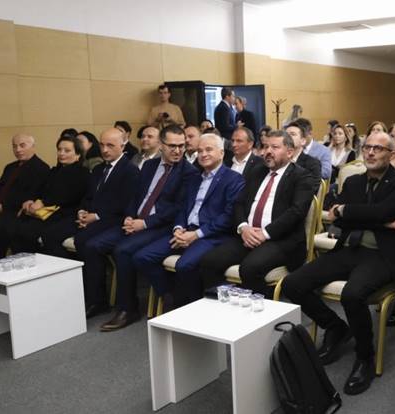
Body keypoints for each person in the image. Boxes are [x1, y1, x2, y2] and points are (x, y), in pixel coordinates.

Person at [282, 131, 395, 395]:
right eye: (367, 147)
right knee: (292, 284)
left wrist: (349, 211)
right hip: (350, 248)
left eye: (378, 148)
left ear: (391, 154)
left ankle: (365, 357)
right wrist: (381, 222)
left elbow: (382, 211)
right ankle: (336, 328)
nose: (371, 152)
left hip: (384, 255)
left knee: (352, 295)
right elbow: (336, 215)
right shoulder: (354, 181)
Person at [79, 125, 198, 330]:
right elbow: (136, 195)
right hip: (135, 220)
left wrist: (144, 223)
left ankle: (128, 308)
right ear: (161, 145)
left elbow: (178, 208)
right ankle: (97, 301)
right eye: (172, 146)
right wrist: (129, 216)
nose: (177, 151)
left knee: (123, 250)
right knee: (93, 245)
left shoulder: (189, 172)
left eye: (181, 146)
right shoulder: (150, 165)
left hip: (160, 226)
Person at [132, 133, 245, 308]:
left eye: (209, 150)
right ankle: (170, 296)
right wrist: (178, 228)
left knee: (184, 265)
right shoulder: (195, 178)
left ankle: (192, 308)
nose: (203, 154)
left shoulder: (234, 179)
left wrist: (196, 234)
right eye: (200, 151)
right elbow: (183, 208)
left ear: (221, 153)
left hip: (210, 235)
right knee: (142, 257)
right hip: (185, 231)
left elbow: (228, 217)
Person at [197, 130, 314, 297]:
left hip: (280, 240)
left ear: (289, 152)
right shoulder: (257, 171)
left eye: (275, 147)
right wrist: (243, 227)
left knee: (250, 268)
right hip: (247, 235)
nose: (268, 151)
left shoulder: (302, 176)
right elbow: (239, 203)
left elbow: (296, 212)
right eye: (266, 147)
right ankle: (224, 305)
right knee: (209, 261)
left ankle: (263, 308)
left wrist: (264, 234)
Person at [41, 128, 140, 316]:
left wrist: (97, 216)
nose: (105, 150)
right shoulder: (99, 169)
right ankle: (81, 292)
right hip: (92, 217)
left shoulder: (130, 171)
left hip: (114, 219)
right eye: (102, 145)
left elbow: (124, 203)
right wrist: (82, 211)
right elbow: (88, 197)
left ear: (122, 146)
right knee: (60, 235)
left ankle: (96, 299)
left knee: (85, 242)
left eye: (110, 145)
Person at [8, 135, 89, 254]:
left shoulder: (83, 173)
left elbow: (68, 196)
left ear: (78, 155)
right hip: (48, 213)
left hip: (66, 214)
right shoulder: (55, 171)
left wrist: (43, 202)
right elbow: (42, 190)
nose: (61, 153)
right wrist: (32, 200)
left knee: (34, 233)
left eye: (67, 151)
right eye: (59, 149)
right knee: (17, 229)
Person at [0, 133, 50, 258]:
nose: (18, 150)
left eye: (22, 145)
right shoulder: (10, 167)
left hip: (19, 213)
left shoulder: (41, 168)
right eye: (14, 146)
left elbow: (30, 196)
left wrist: (3, 206)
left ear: (33, 146)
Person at [285, 121, 322, 192]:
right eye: (286, 134)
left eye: (292, 134)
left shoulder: (312, 164)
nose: (287, 137)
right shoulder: (278, 161)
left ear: (303, 141)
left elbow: (311, 190)